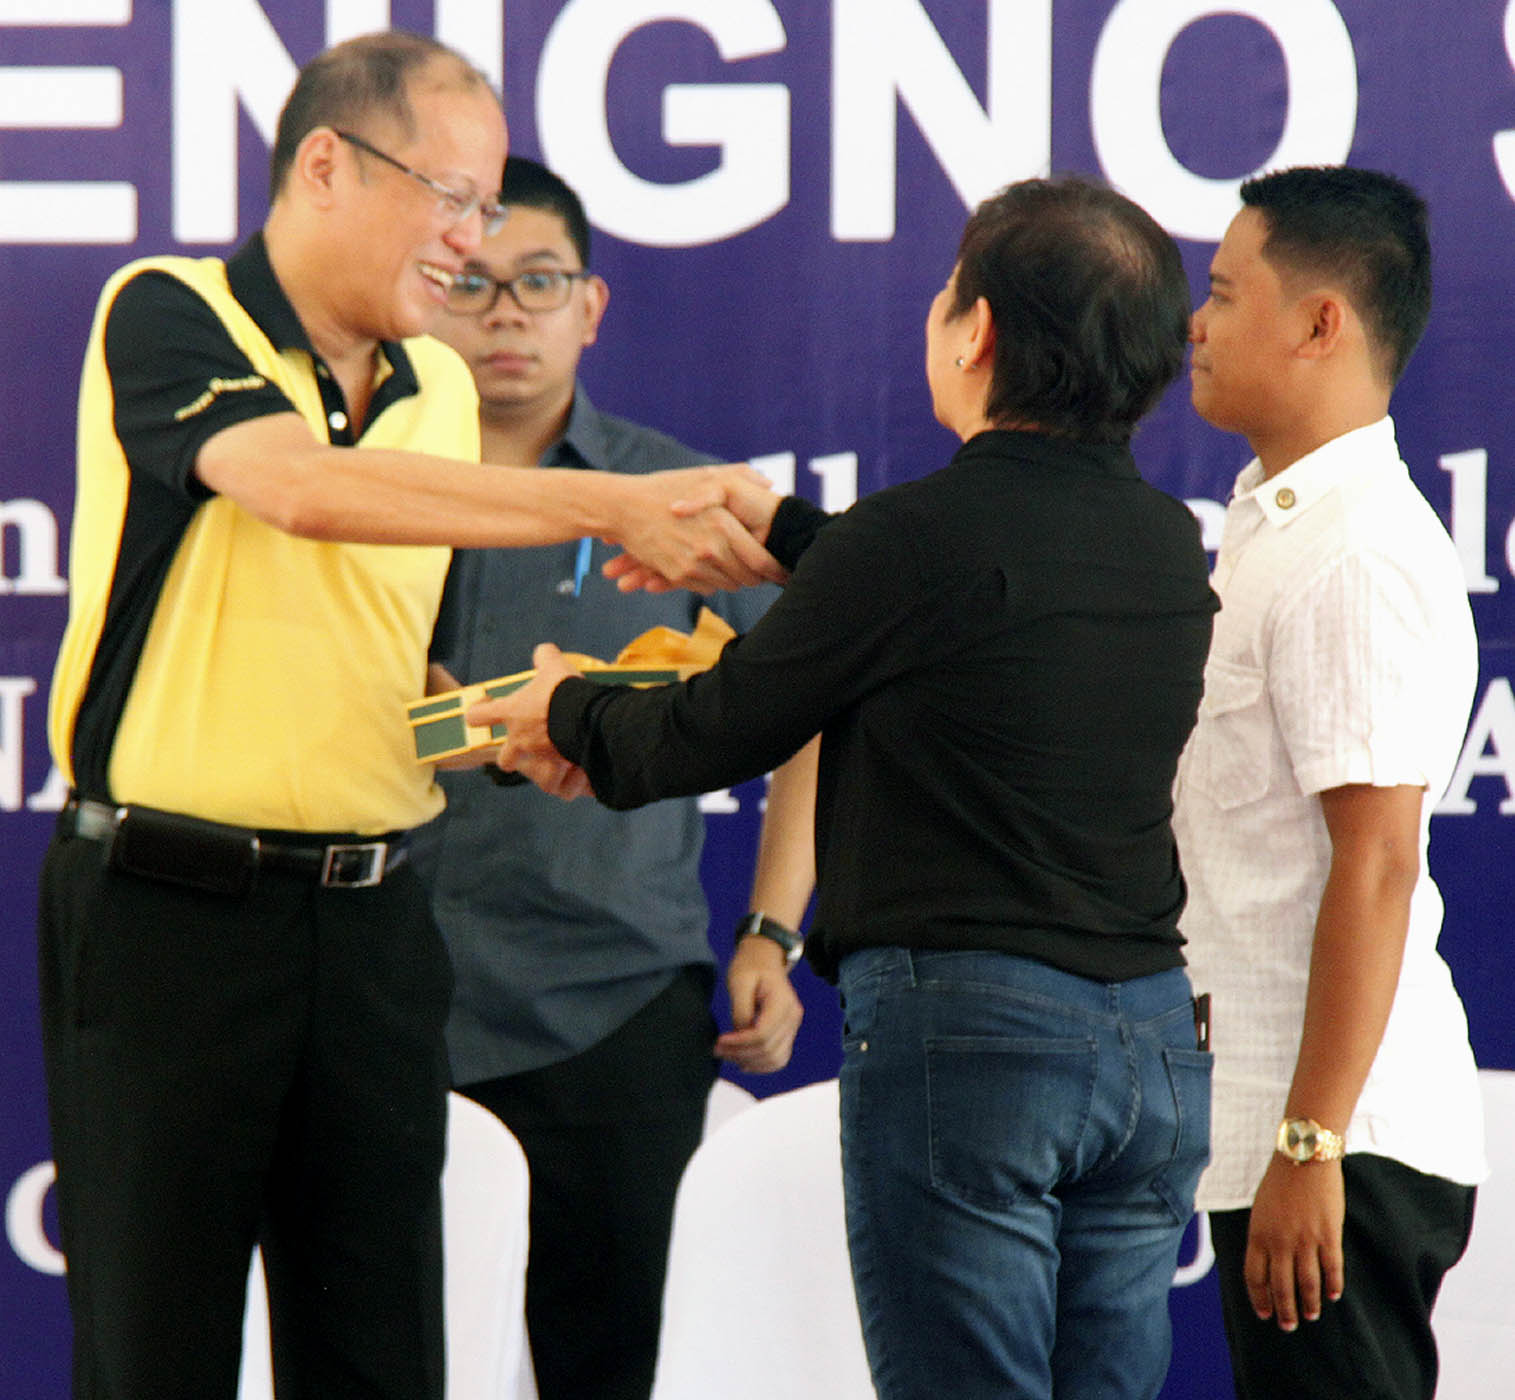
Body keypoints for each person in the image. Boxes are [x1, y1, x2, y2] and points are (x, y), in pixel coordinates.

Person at [38, 30, 781, 1400]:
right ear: (325, 163)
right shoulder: (170, 308)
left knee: (381, 1358)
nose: (467, 243)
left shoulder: (436, 386)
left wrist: (519, 723)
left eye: (487, 206)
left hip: (380, 928)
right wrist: (612, 502)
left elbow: (393, 666)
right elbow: (299, 490)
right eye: (449, 196)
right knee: (156, 1357)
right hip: (168, 918)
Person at [482, 175, 1220, 1400]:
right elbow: (955, 600)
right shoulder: (1159, 537)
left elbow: (703, 733)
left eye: (945, 293)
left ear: (974, 333)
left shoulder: (917, 535)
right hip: (1147, 1038)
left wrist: (560, 702)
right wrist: (796, 533)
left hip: (978, 1043)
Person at [411, 154, 816, 1400]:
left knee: (616, 1367)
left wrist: (770, 928)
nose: (506, 313)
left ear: (592, 304)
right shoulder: (370, 493)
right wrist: (454, 717)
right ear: (425, 300)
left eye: (539, 281)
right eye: (471, 285)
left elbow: (810, 704)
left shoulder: (675, 498)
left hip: (613, 1002)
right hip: (389, 993)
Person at [1174, 165, 1485, 1399]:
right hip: (1288, 1122)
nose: (1194, 322)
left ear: (1320, 324)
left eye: (1222, 291)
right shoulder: (1281, 525)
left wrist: (1313, 1137)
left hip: (1337, 1137)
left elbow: (1378, 860)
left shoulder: (1352, 551)